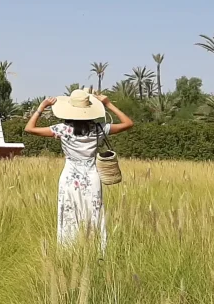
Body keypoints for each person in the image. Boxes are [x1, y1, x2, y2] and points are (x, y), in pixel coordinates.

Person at [23, 88, 134, 251]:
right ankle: (96, 250)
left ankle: (69, 251)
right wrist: (108, 104)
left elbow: (29, 128)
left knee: (69, 215)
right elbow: (128, 123)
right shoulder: (99, 129)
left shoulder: (62, 129)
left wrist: (42, 106)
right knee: (94, 215)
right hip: (92, 178)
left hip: (69, 179)